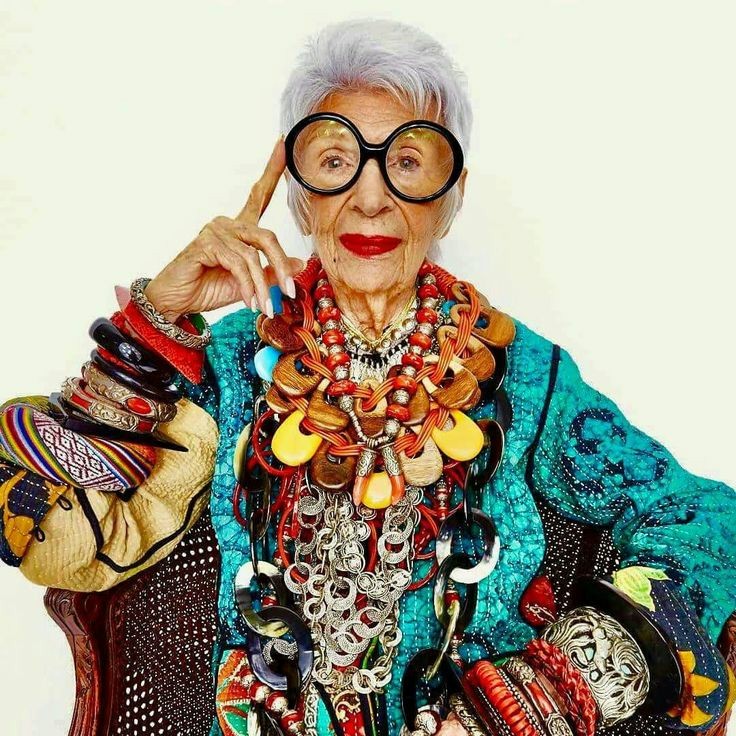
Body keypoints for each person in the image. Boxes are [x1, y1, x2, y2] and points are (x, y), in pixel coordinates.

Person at [1, 17, 735, 736]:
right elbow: (44, 526)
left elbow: (709, 523)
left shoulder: (521, 376)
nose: (372, 196)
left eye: (408, 162)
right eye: (334, 160)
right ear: (299, 192)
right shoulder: (232, 362)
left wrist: (539, 695)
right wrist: (154, 324)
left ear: (453, 194)